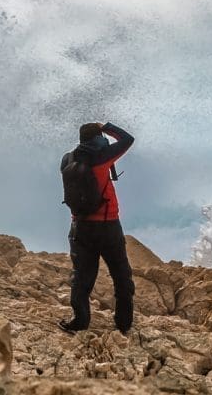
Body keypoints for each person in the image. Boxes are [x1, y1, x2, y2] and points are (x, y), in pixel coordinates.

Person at [59, 121, 136, 334]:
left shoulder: (67, 159)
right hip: (107, 226)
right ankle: (123, 324)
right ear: (98, 137)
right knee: (121, 275)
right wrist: (107, 127)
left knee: (82, 276)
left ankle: (79, 321)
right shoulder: (102, 156)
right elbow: (128, 139)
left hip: (79, 227)